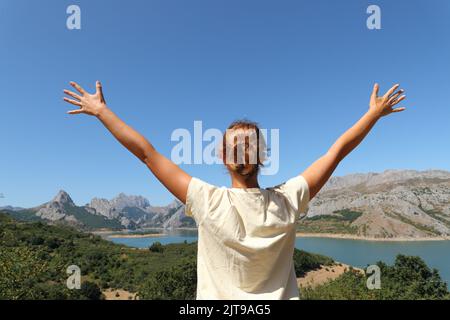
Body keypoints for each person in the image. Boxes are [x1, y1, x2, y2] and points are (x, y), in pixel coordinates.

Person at [63, 81, 406, 299]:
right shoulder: (288, 200)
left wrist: (102, 111)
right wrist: (373, 115)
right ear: (263, 157)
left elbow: (146, 153)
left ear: (223, 158)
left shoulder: (206, 200)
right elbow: (337, 151)